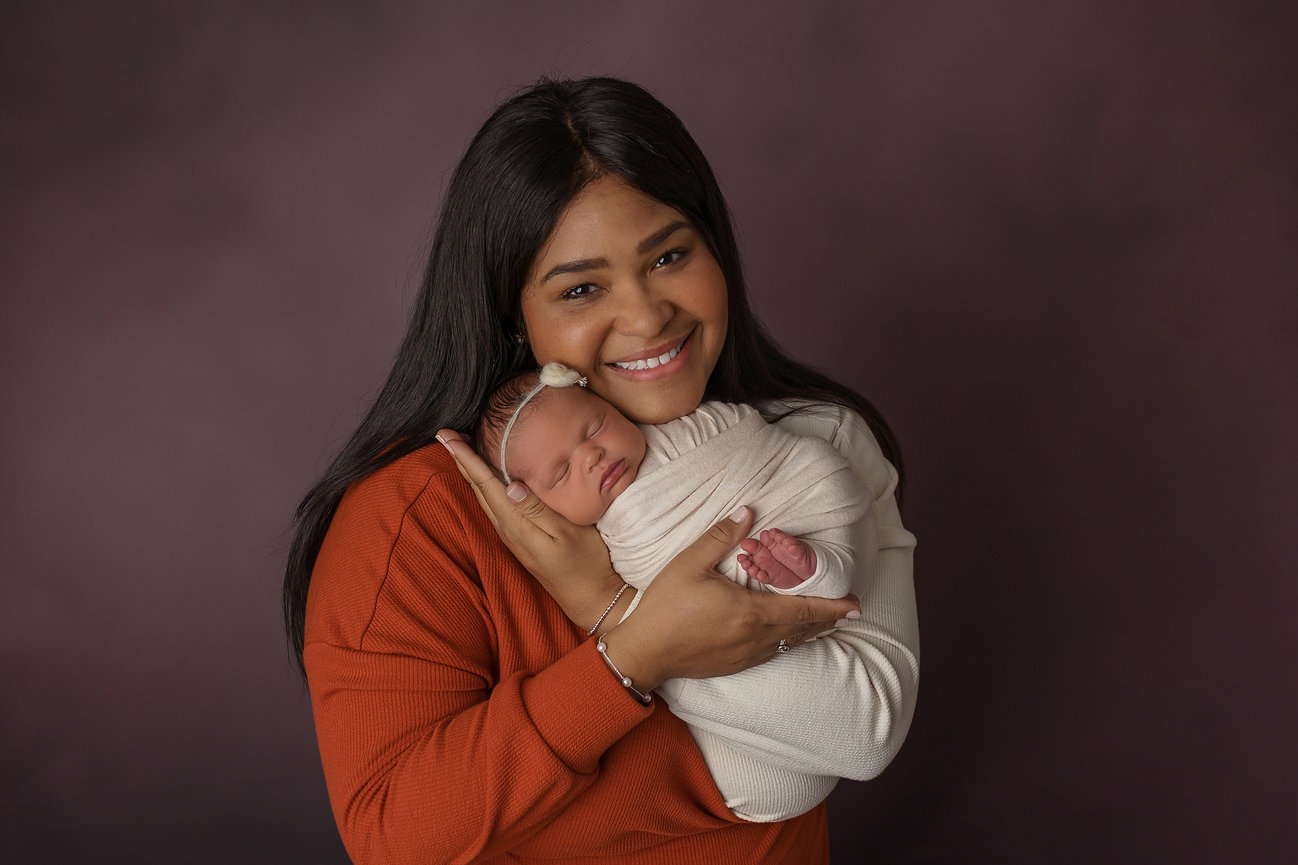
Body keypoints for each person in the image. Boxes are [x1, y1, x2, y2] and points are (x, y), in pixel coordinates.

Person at [283, 76, 918, 865]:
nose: (648, 316)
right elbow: (398, 838)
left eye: (670, 255)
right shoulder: (416, 518)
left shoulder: (818, 442)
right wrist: (627, 661)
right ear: (512, 313)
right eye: (581, 287)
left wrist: (607, 603)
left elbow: (860, 733)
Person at [475, 362, 875, 821]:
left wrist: (615, 609)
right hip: (739, 636)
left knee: (813, 536)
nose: (591, 456)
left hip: (793, 508)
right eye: (562, 472)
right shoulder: (588, 545)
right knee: (761, 780)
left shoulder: (690, 429)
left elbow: (760, 446)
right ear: (535, 505)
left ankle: (811, 572)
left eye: (595, 427)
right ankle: (800, 578)